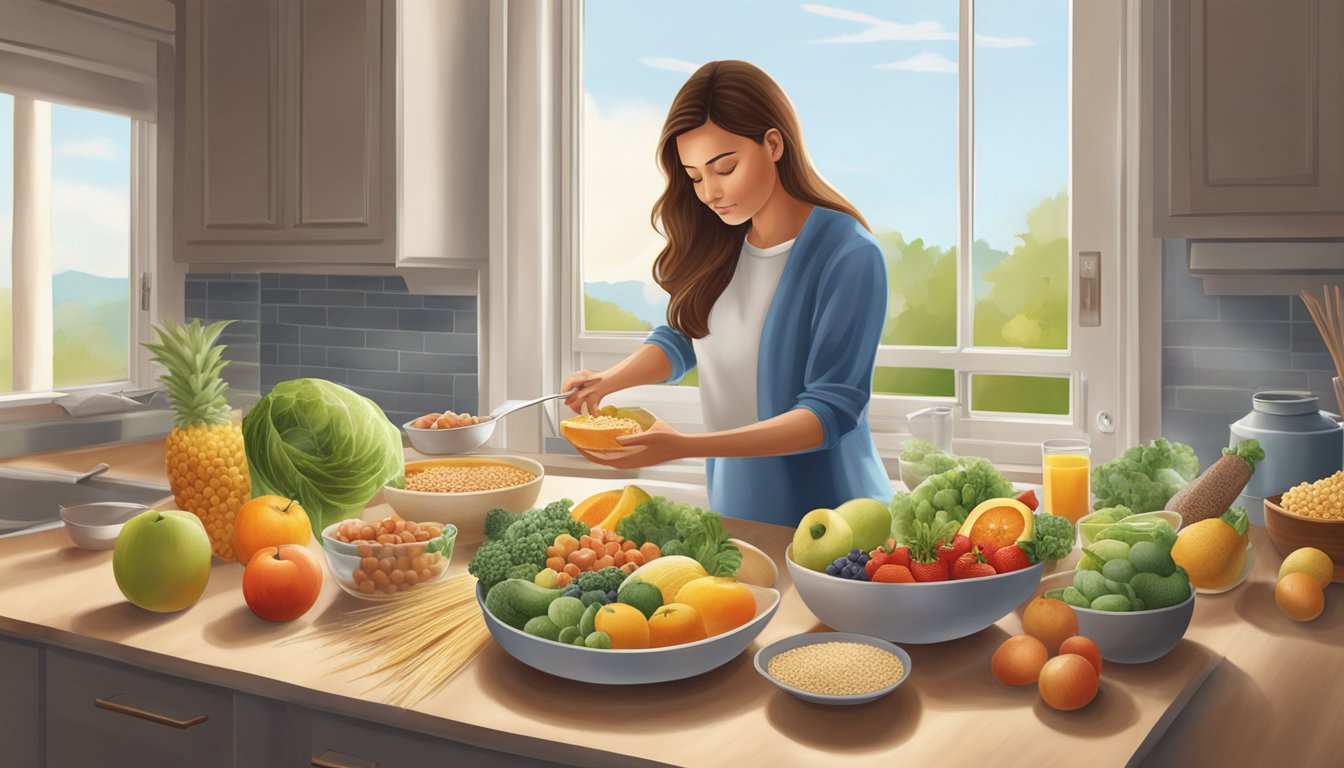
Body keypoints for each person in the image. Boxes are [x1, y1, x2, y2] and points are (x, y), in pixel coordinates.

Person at [562, 60, 892, 527]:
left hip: (834, 525)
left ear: (773, 144)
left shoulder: (849, 254)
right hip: (737, 511)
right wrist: (609, 380)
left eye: (725, 168)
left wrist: (685, 447)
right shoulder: (723, 241)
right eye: (696, 177)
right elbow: (685, 335)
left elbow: (829, 413)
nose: (710, 193)